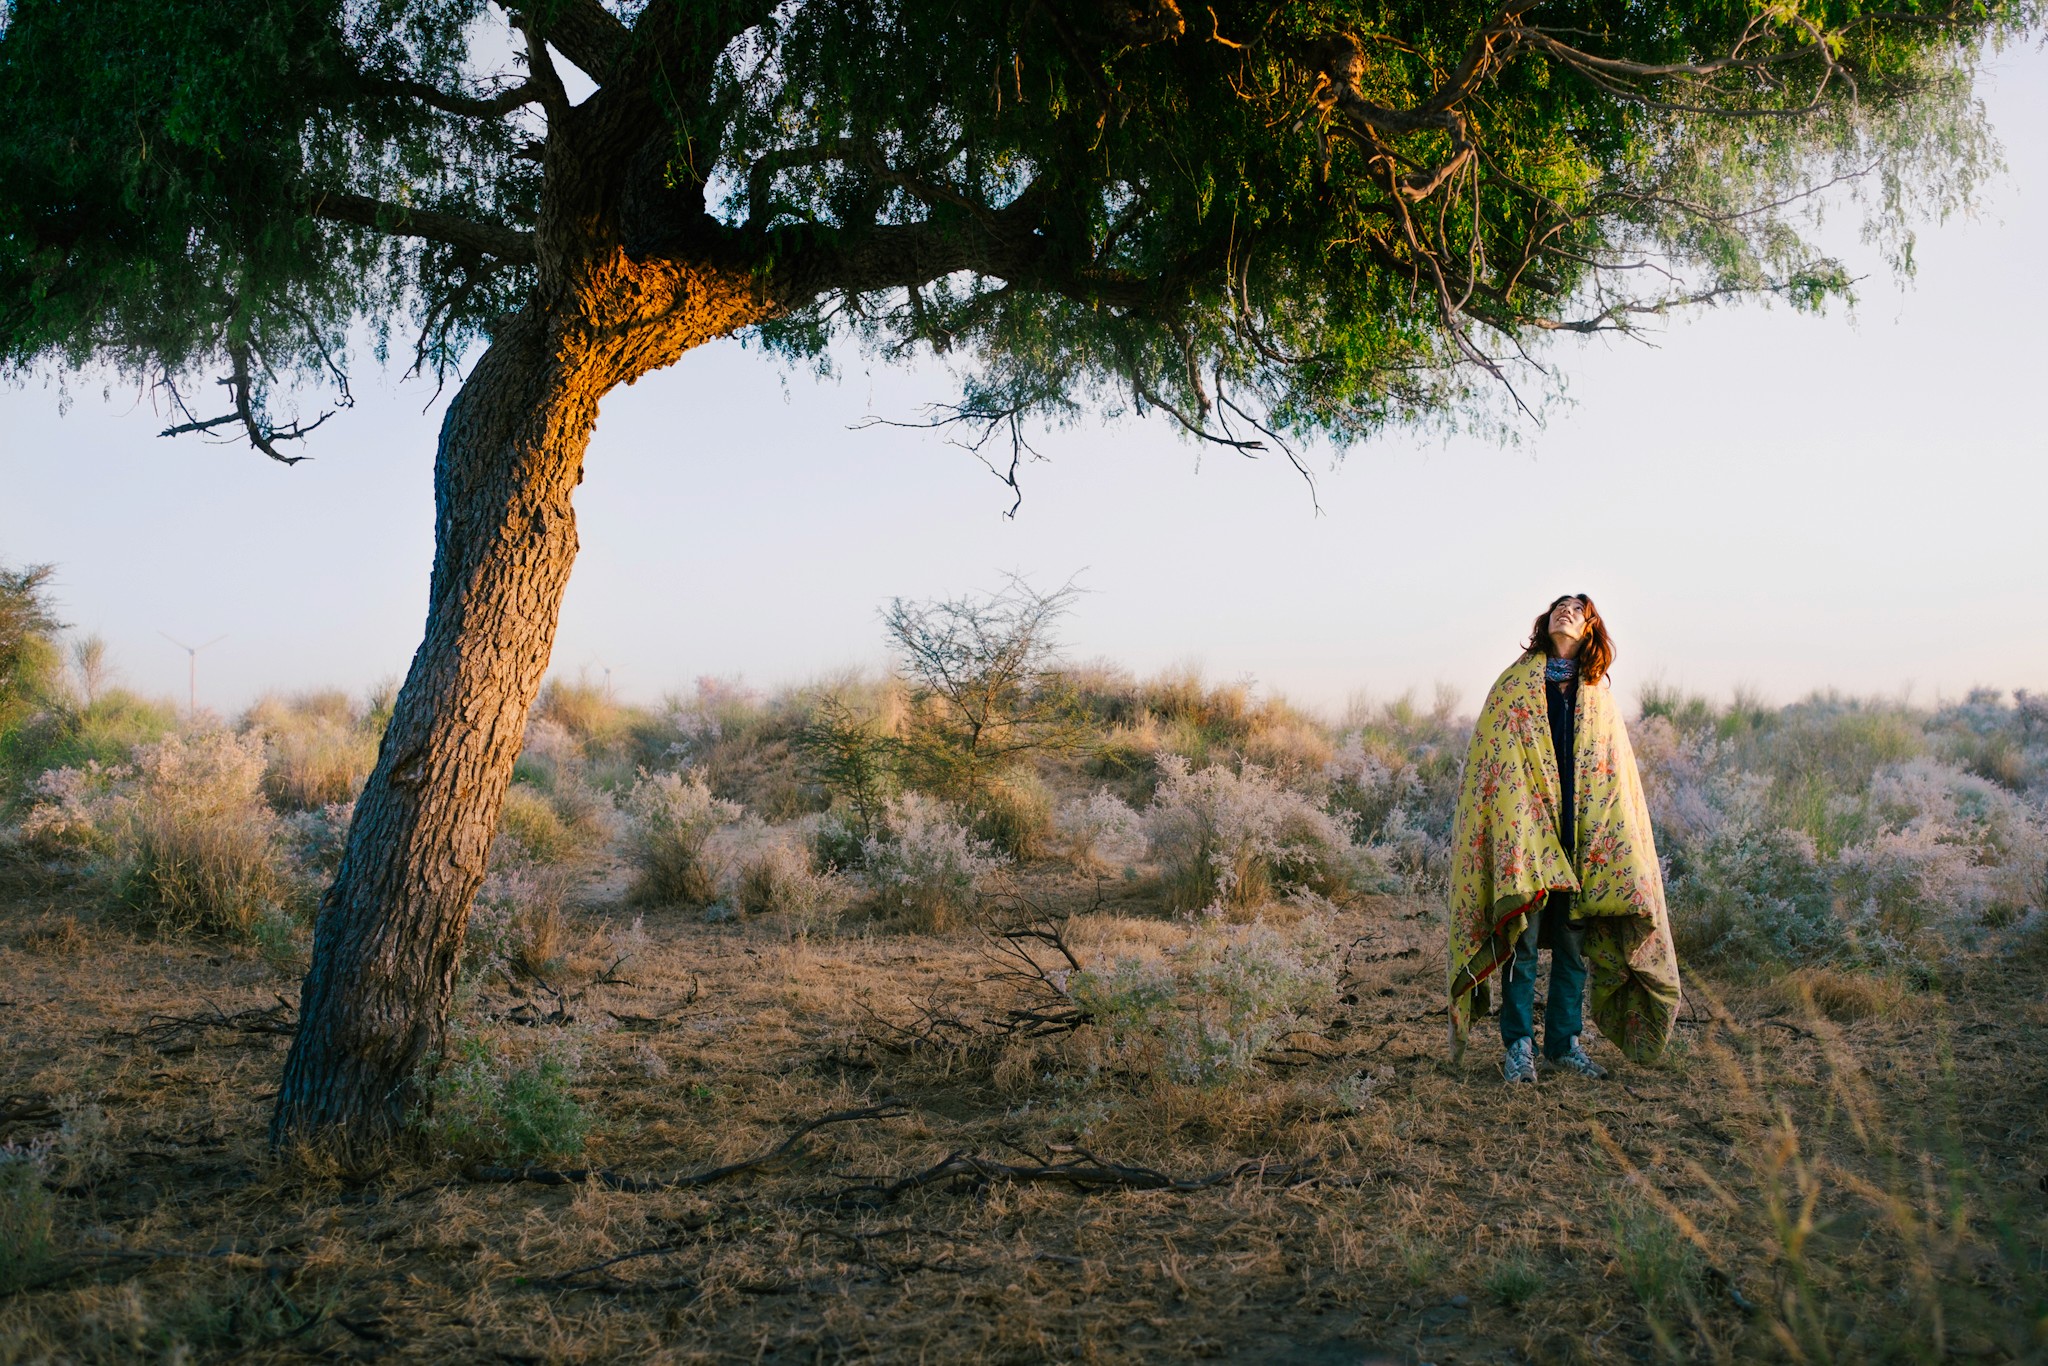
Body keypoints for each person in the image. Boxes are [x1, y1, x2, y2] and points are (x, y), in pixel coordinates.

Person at [1445, 594, 1681, 1083]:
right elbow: (1492, 766)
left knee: (1574, 946)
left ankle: (1564, 1044)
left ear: (1591, 626)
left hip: (1583, 839)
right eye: (1559, 606)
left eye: (1578, 608)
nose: (1566, 611)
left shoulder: (1598, 696)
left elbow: (1616, 779)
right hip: (1527, 840)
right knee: (1522, 940)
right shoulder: (1513, 686)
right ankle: (1518, 1048)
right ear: (1545, 622)